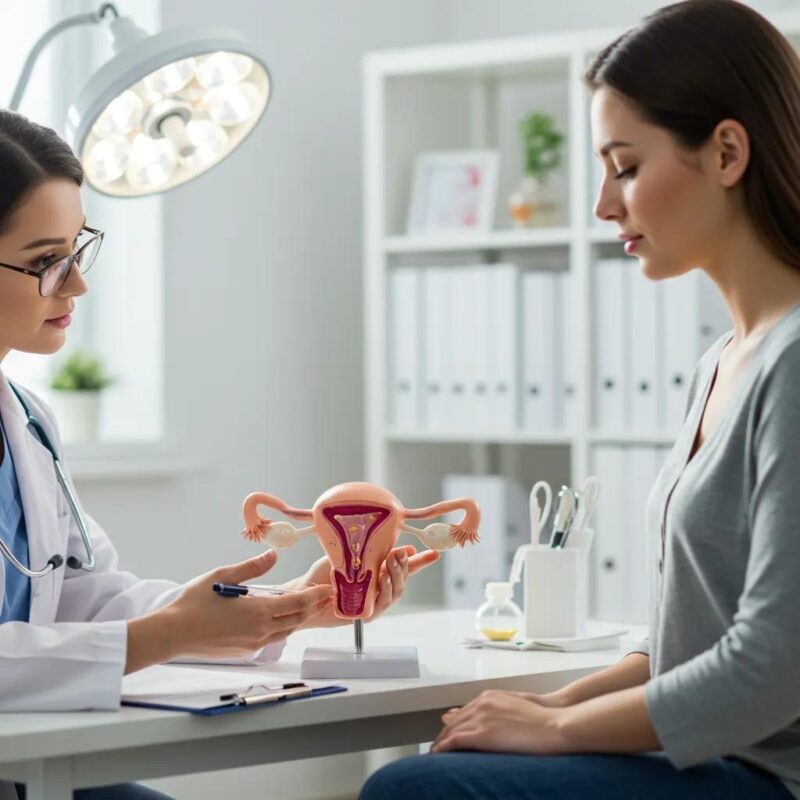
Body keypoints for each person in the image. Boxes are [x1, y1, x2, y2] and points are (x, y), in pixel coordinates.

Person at [360, 1, 800, 798]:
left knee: (414, 792)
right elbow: (682, 647)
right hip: (710, 758)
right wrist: (543, 705)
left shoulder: (794, 365)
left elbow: (771, 670)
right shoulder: (720, 363)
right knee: (450, 761)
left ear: (728, 151)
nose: (604, 204)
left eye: (626, 167)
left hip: (767, 775)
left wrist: (556, 729)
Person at [0, 107, 440, 800]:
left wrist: (275, 609)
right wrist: (171, 634)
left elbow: (83, 596)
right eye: (45, 263)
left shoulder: (26, 421)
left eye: (76, 251)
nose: (77, 285)